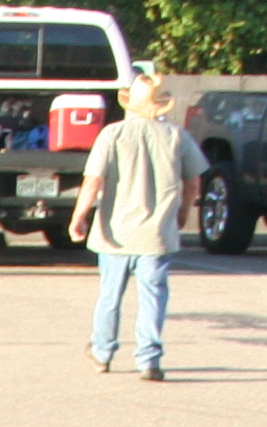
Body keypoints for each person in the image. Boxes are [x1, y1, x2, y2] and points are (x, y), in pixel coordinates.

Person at [69, 67, 206, 381]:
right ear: (160, 106)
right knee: (153, 295)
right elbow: (193, 182)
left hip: (114, 232)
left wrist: (79, 216)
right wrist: (184, 212)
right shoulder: (176, 136)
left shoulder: (112, 134)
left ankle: (103, 352)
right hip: (157, 233)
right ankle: (149, 358)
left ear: (129, 103)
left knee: (109, 295)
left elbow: (93, 180)